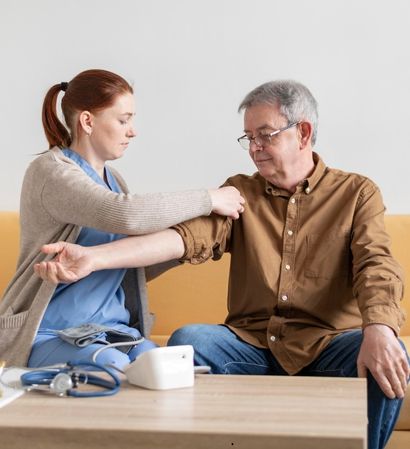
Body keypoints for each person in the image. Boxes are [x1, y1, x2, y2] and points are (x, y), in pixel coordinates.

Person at [34, 79, 409, 449]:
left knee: (390, 352)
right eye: (249, 137)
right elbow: (184, 238)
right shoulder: (241, 192)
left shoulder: (357, 193)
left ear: (303, 133)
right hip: (253, 346)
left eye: (265, 135)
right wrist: (95, 258)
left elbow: (376, 265)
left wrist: (379, 328)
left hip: (328, 344)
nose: (255, 148)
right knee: (190, 342)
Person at [0, 69, 245, 371]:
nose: (132, 131)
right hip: (51, 331)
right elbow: (126, 214)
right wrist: (209, 199)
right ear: (87, 121)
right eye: (123, 120)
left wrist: (187, 245)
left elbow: (126, 267)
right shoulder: (51, 171)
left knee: (163, 366)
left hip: (111, 330)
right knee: (112, 366)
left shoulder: (113, 179)